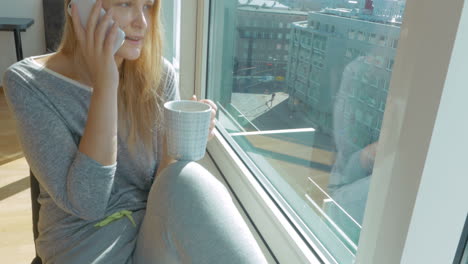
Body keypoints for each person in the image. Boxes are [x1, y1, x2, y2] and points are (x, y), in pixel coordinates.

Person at [2, 0, 267, 263]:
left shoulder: (160, 75)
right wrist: (106, 82)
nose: (141, 22)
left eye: (148, 6)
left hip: (149, 235)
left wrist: (177, 143)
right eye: (126, 3)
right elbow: (88, 203)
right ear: (81, 7)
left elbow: (167, 186)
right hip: (85, 247)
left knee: (189, 180)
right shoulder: (28, 84)